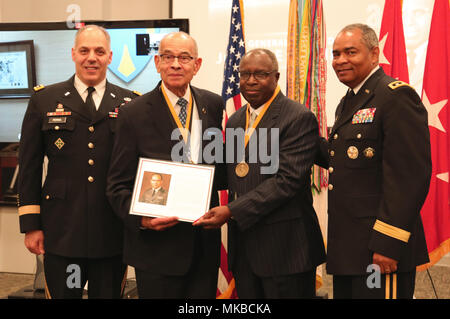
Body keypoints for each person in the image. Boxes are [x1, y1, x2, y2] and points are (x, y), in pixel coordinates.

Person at [17, 25, 139, 298]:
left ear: (110, 57)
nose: (91, 58)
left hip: (112, 232)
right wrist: (31, 225)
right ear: (73, 54)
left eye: (99, 51)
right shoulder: (44, 99)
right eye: (84, 51)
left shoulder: (131, 104)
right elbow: (29, 167)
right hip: (61, 231)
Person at [194, 48, 326, 298]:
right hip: (244, 250)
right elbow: (231, 173)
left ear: (276, 77)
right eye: (245, 74)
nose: (251, 81)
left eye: (260, 74)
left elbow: (286, 182)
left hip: (286, 250)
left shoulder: (297, 117)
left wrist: (231, 210)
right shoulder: (235, 120)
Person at [106, 32, 225, 298]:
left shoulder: (213, 104)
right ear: (158, 62)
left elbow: (218, 167)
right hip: (156, 250)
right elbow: (116, 185)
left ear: (197, 64)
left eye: (184, 57)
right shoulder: (133, 113)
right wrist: (142, 220)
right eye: (168, 57)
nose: (175, 64)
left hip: (204, 246)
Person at [317, 23, 431, 299]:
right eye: (335, 54)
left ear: (374, 53)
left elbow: (408, 178)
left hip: (380, 250)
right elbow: (345, 162)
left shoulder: (394, 96)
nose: (340, 60)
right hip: (351, 249)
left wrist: (389, 244)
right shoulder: (348, 101)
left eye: (350, 52)